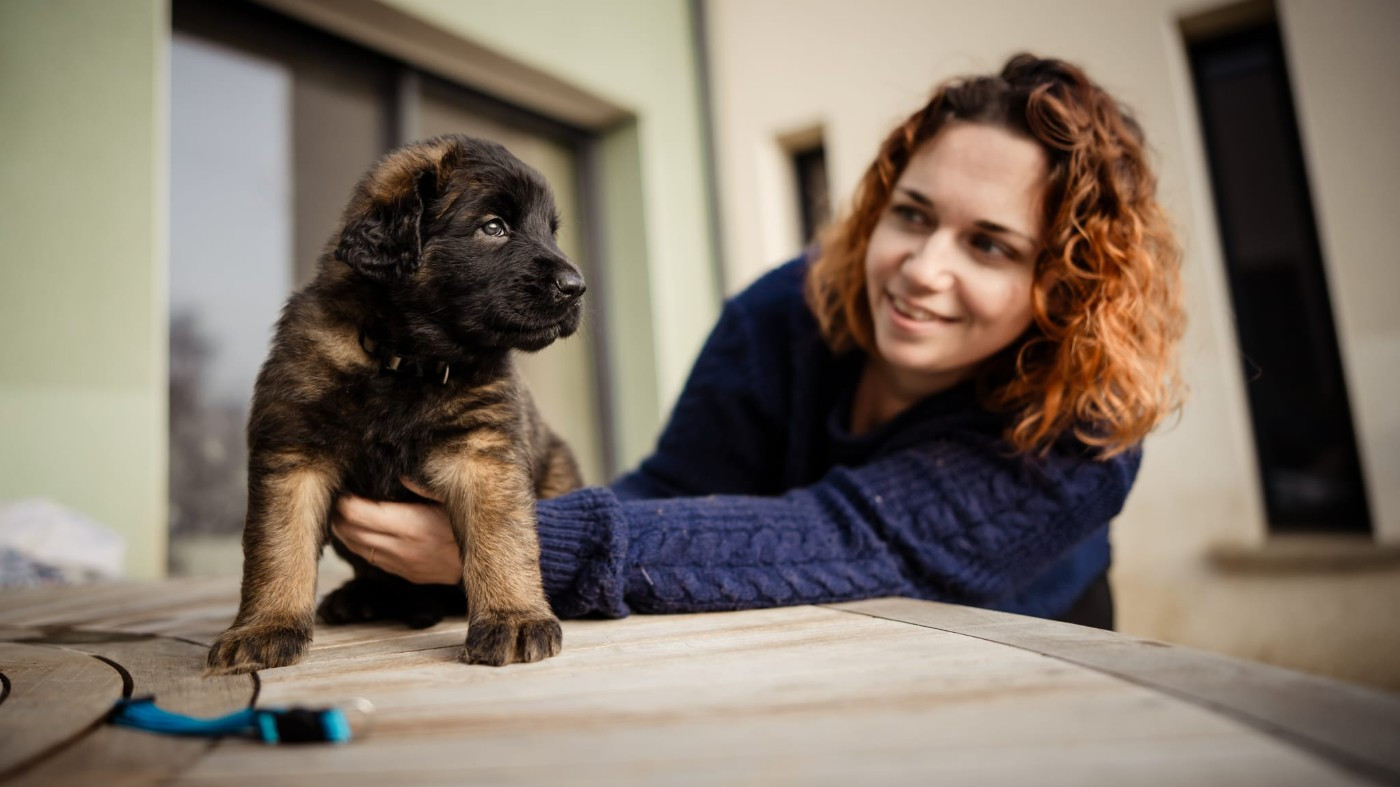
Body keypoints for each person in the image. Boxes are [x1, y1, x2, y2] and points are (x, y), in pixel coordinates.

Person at [330, 53, 1184, 630]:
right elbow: (673, 487)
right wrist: (467, 529)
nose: (922, 268)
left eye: (989, 245)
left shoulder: (1088, 430)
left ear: (1064, 286)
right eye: (912, 215)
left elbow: (853, 541)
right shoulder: (785, 311)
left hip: (1023, 653)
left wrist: (516, 542)